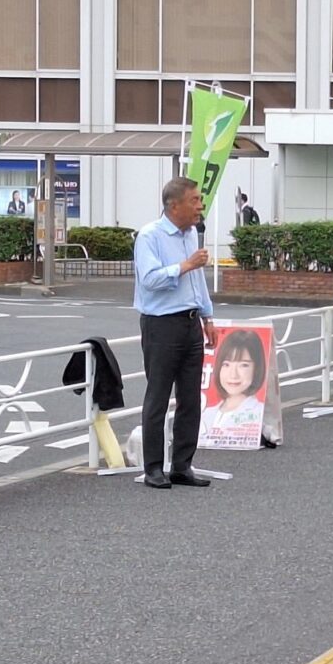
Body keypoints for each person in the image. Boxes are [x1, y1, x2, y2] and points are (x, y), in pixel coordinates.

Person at [133, 177, 217, 489]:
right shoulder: (150, 235)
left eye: (200, 200)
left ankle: (182, 465)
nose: (200, 206)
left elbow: (198, 280)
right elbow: (150, 280)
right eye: (194, 200)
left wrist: (207, 316)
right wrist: (184, 265)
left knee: (190, 397)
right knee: (157, 395)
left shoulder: (191, 233)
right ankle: (154, 467)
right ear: (174, 205)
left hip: (191, 321)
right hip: (161, 323)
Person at [201, 329, 266, 434]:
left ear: (257, 368)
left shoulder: (260, 413)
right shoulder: (206, 413)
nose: (233, 374)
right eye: (226, 364)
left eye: (243, 365)